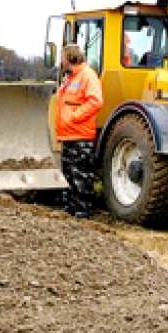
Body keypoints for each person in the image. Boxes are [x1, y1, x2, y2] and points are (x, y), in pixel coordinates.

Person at [55, 43, 104, 218]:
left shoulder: (87, 76)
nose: (60, 61)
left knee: (81, 175)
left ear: (69, 58)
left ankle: (83, 210)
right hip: (68, 134)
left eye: (62, 57)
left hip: (80, 135)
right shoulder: (70, 78)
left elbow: (95, 101)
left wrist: (74, 117)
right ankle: (70, 208)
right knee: (68, 174)